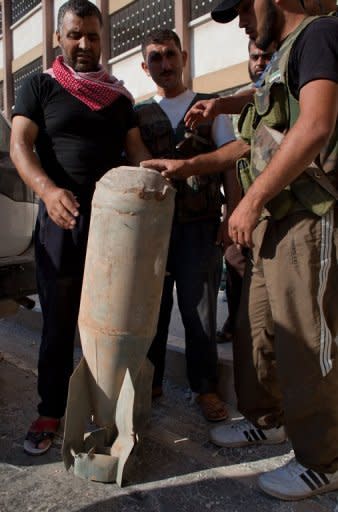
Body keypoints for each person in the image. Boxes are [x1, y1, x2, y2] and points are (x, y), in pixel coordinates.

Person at [206, 0, 338, 501]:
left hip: (310, 213)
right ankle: (267, 420)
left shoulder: (320, 35)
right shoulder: (282, 56)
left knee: (307, 340)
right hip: (275, 219)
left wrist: (251, 201)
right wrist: (188, 165)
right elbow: (251, 139)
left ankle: (324, 459)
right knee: (257, 328)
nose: (241, 21)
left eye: (241, 8)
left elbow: (316, 125)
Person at [10, 0, 150, 456]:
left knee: (112, 323)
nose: (84, 44)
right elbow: (19, 146)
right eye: (75, 35)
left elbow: (138, 156)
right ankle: (51, 410)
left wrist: (167, 179)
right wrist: (48, 192)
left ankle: (104, 410)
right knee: (59, 324)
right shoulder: (38, 87)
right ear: (58, 38)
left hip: (116, 231)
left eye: (92, 35)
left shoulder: (120, 97)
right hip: (61, 224)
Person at [136, 29, 245, 421]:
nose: (164, 64)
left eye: (169, 55)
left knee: (200, 312)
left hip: (199, 226)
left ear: (183, 56)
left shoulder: (208, 107)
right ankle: (150, 382)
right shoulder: (138, 115)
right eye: (155, 58)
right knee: (152, 310)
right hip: (151, 233)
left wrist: (230, 215)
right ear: (144, 66)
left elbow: (229, 161)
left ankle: (206, 389)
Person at [216, 38, 274, 343]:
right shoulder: (235, 104)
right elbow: (231, 161)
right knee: (237, 265)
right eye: (255, 57)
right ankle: (237, 326)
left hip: (274, 204)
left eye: (267, 56)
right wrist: (231, 213)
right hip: (241, 204)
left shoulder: (281, 94)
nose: (261, 62)